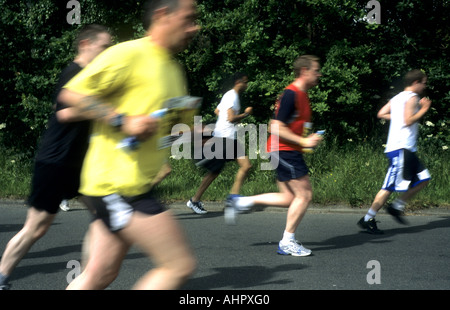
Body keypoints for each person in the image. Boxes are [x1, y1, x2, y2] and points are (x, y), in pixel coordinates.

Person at [58, 0, 199, 290]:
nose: (194, 27)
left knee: (99, 276)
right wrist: (122, 120)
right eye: (188, 19)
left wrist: (195, 132)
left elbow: (170, 130)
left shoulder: (173, 70)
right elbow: (71, 95)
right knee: (178, 265)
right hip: (118, 185)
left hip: (134, 184)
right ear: (163, 15)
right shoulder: (128, 54)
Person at [0, 25, 112, 290]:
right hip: (55, 162)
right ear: (86, 44)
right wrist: (106, 111)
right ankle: (2, 276)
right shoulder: (73, 73)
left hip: (78, 165)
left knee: (103, 216)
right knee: (36, 227)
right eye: (104, 47)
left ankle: (86, 280)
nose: (108, 52)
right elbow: (64, 113)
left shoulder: (89, 76)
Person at [225, 55, 323, 257]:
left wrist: (305, 141)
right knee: (304, 195)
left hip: (287, 150)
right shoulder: (291, 93)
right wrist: (304, 142)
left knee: (289, 197)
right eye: (316, 70)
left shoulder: (302, 94)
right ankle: (287, 241)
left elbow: (293, 126)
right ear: (304, 71)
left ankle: (242, 202)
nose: (319, 74)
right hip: (283, 150)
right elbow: (275, 126)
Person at [358, 69, 432, 234]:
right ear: (415, 82)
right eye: (423, 83)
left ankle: (396, 206)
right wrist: (424, 109)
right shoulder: (412, 97)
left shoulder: (397, 97)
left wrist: (398, 117)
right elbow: (408, 121)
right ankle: (367, 218)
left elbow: (381, 113)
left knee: (424, 178)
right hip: (400, 148)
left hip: (407, 149)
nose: (424, 86)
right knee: (388, 186)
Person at [187, 72, 253, 214]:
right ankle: (194, 200)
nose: (246, 85)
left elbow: (218, 111)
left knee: (246, 166)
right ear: (238, 82)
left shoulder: (230, 96)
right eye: (245, 82)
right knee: (214, 172)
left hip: (229, 138)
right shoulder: (231, 96)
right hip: (223, 138)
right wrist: (245, 114)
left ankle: (232, 199)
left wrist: (228, 119)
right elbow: (230, 118)